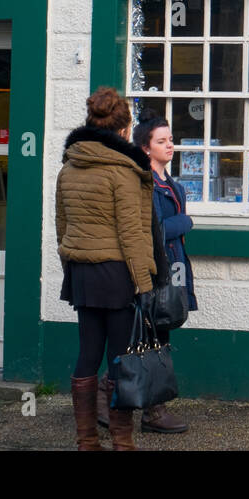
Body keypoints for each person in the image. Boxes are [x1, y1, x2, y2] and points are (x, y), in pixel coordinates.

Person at [57, 87, 156, 451]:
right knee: (120, 359)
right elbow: (132, 234)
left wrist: (71, 260)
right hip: (117, 273)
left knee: (87, 353)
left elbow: (61, 224)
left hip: (81, 272)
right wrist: (144, 284)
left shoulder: (69, 166)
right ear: (125, 130)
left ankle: (86, 442)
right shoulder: (123, 172)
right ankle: (122, 441)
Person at [132, 115, 198, 434]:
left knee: (162, 333)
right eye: (161, 141)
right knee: (150, 337)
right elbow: (151, 230)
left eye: (170, 139)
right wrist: (184, 223)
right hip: (153, 272)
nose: (170, 144)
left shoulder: (174, 185)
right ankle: (151, 411)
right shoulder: (144, 184)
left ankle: (147, 407)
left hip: (173, 268)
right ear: (146, 148)